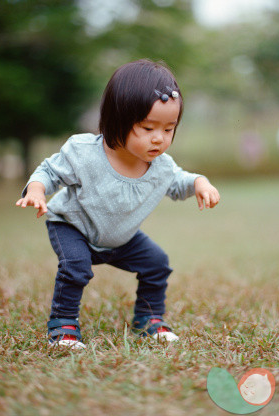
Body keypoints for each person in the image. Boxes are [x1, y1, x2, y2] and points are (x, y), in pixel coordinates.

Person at [16, 59, 220, 349]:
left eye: (168, 129)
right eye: (147, 127)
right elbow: (49, 171)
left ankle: (149, 319)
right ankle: (63, 326)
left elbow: (179, 181)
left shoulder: (161, 166)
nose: (159, 139)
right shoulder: (85, 153)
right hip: (74, 227)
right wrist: (37, 190)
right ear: (118, 120)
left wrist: (200, 183)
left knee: (157, 263)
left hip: (121, 237)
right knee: (76, 266)